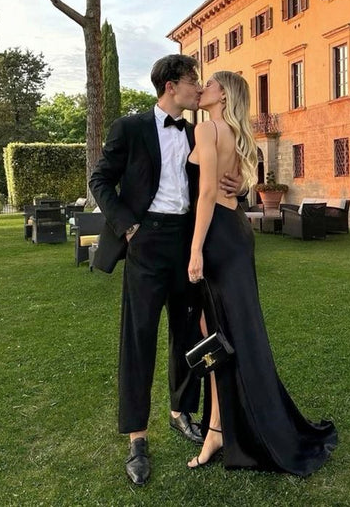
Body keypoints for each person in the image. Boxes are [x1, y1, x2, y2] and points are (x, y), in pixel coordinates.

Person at [89, 54, 242, 486]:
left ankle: (181, 411)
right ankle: (137, 438)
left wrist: (242, 185)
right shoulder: (130, 128)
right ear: (172, 86)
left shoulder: (199, 131)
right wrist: (128, 225)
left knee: (188, 332)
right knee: (138, 337)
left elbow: (217, 183)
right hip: (146, 241)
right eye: (194, 80)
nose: (199, 87)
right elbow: (100, 180)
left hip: (189, 242)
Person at [185, 71, 338, 474]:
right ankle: (219, 426)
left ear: (223, 95)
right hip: (235, 233)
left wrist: (196, 249)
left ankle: (222, 429)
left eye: (209, 84)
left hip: (217, 235)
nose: (202, 88)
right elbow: (235, 187)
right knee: (227, 332)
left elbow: (206, 193)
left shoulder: (207, 130)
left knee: (221, 332)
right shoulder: (235, 135)